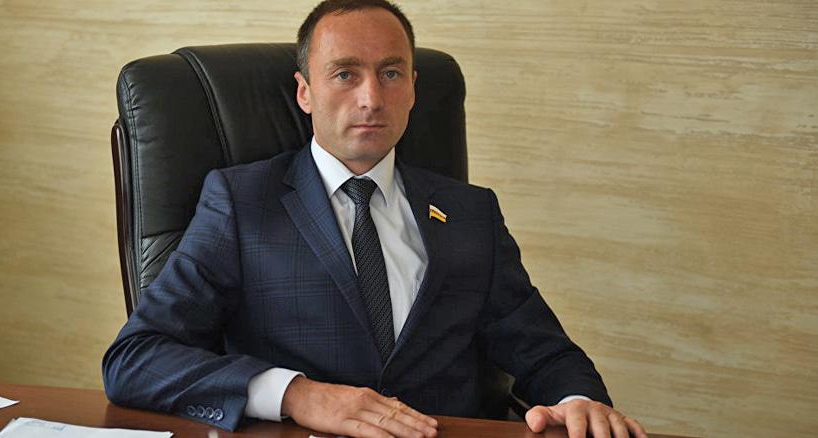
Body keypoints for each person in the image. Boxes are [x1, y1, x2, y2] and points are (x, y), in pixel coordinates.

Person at [103, 1, 647, 438]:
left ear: (413, 88)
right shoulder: (242, 202)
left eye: (391, 73)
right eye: (345, 74)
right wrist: (295, 394)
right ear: (305, 92)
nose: (371, 98)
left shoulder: (470, 211)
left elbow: (544, 351)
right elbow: (135, 359)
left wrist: (579, 401)